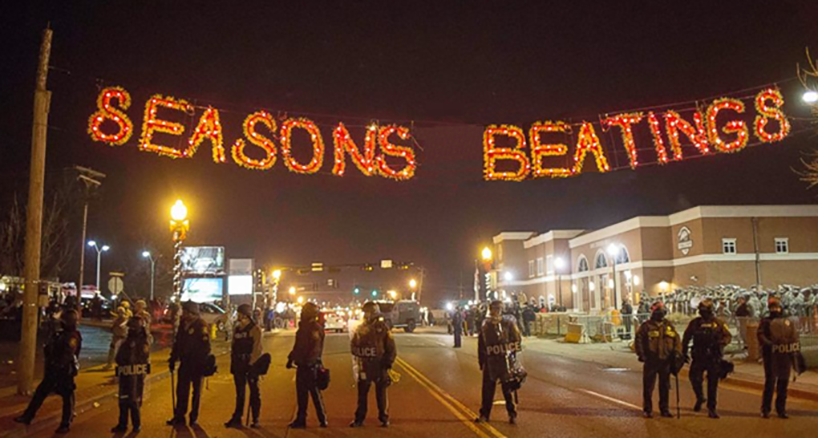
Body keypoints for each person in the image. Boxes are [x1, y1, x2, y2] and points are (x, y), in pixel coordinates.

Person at [14, 309, 82, 434]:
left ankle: (65, 424)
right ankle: (28, 416)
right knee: (40, 393)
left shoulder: (73, 336)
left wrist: (57, 364)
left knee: (67, 398)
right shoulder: (61, 334)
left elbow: (67, 354)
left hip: (64, 372)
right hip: (53, 371)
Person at [681, 299, 731, 418]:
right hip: (699, 355)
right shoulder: (695, 323)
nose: (702, 313)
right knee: (694, 378)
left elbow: (728, 336)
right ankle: (700, 397)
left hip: (713, 357)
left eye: (705, 310)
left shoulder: (718, 323)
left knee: (712, 383)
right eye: (701, 310)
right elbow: (686, 337)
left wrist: (720, 343)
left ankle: (711, 408)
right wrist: (683, 352)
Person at [350, 301, 397, 428]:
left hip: (379, 365)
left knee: (381, 393)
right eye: (365, 312)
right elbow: (353, 344)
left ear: (374, 313)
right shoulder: (360, 328)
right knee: (362, 394)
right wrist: (357, 352)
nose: (366, 315)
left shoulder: (382, 328)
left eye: (368, 312)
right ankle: (359, 419)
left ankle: (384, 417)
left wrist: (388, 362)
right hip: (364, 365)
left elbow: (391, 347)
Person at [476, 300, 522, 424]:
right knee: (487, 389)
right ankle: (484, 414)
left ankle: (512, 413)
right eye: (493, 309)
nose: (495, 311)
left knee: (507, 389)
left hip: (504, 360)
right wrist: (482, 361)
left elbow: (516, 339)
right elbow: (482, 344)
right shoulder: (486, 325)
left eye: (498, 308)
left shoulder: (508, 323)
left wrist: (511, 355)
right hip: (490, 361)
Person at [167, 301, 211, 426]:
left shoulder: (200, 325)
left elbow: (206, 346)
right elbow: (178, 343)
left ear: (192, 312)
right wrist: (173, 358)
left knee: (196, 392)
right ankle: (179, 416)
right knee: (181, 390)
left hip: (197, 364)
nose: (183, 313)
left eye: (185, 311)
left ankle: (194, 417)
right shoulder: (183, 324)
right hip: (185, 363)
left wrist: (203, 361)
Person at [635, 301, 681, 418]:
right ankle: (648, 409)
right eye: (658, 310)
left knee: (664, 387)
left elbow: (677, 340)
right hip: (651, 361)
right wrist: (641, 354)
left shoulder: (669, 326)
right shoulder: (646, 326)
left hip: (665, 361)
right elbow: (638, 340)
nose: (661, 313)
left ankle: (664, 409)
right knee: (649, 387)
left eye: (662, 310)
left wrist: (677, 352)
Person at [287, 302, 327, 428]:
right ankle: (302, 419)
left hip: (310, 366)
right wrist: (291, 358)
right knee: (302, 395)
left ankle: (322, 419)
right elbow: (298, 346)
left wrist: (309, 362)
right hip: (304, 364)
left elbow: (314, 348)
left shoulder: (313, 328)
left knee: (314, 394)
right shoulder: (305, 327)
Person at [758, 297, 800, 418]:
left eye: (776, 307)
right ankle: (765, 409)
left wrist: (792, 347)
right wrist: (769, 344)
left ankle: (781, 409)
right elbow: (760, 335)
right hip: (771, 356)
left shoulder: (787, 322)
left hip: (785, 355)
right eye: (772, 308)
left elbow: (794, 336)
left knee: (783, 383)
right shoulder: (766, 321)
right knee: (770, 383)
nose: (775, 310)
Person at [225, 304, 264, 428]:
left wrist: (252, 365)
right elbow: (233, 346)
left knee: (254, 392)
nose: (238, 316)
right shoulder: (237, 329)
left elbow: (257, 349)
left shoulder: (254, 329)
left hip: (250, 364)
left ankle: (255, 418)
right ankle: (237, 417)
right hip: (238, 364)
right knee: (240, 393)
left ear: (245, 315)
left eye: (240, 314)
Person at [112, 315, 151, 432]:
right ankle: (125, 424)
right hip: (129, 374)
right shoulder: (139, 341)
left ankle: (134, 424)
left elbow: (122, 358)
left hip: (132, 375)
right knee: (126, 399)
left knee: (132, 400)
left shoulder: (137, 343)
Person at [105, 306, 129, 370]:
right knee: (112, 351)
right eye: (119, 312)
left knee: (121, 352)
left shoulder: (125, 319)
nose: (119, 313)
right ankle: (110, 364)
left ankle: (120, 365)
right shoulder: (118, 319)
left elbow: (122, 326)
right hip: (116, 337)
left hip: (121, 337)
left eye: (120, 312)